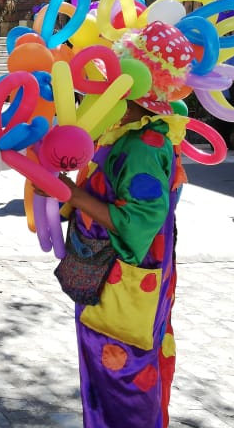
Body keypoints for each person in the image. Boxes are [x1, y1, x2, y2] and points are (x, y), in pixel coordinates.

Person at [37, 21, 192, 427]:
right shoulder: (128, 132)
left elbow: (139, 220)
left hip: (123, 283)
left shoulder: (143, 143)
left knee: (124, 383)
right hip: (110, 281)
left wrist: (72, 194)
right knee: (107, 380)